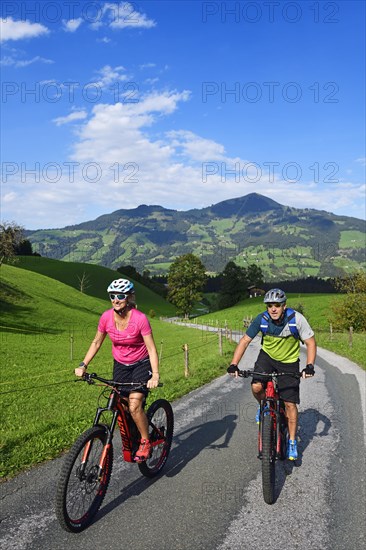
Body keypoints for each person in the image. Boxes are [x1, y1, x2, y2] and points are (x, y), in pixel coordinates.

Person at [74, 278, 160, 462]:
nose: (115, 299)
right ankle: (134, 434)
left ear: (128, 297)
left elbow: (152, 349)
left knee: (134, 405)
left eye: (120, 296)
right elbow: (96, 342)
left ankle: (145, 440)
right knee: (121, 405)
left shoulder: (140, 319)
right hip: (120, 365)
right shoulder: (106, 317)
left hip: (141, 364)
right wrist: (83, 364)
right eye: (112, 296)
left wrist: (156, 374)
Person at [227, 288, 316, 460]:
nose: (273, 309)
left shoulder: (296, 319)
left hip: (289, 361)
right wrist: (234, 364)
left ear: (284, 306)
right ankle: (263, 406)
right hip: (267, 357)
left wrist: (309, 365)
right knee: (256, 386)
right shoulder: (262, 319)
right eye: (270, 305)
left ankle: (291, 442)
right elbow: (245, 341)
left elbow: (310, 342)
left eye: (277, 305)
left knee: (290, 404)